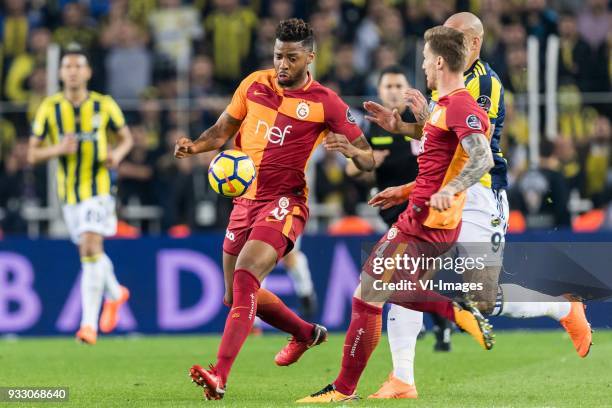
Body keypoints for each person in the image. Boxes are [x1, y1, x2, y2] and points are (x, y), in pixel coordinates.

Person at [363, 12, 592, 400]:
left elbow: (473, 146)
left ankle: (563, 310)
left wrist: (429, 183)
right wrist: (403, 128)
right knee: (403, 275)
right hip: (439, 189)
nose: (441, 50)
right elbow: (439, 128)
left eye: (455, 39)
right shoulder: (446, 77)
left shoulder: (483, 82)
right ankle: (403, 379)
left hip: (479, 192)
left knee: (483, 298)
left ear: (474, 43)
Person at [174, 18, 375, 400]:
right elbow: (220, 133)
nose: (282, 64)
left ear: (310, 57)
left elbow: (368, 159)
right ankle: (305, 333)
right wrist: (193, 146)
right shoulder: (253, 84)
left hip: (285, 202)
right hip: (244, 202)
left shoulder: (325, 102)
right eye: (278, 56)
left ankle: (220, 375)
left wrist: (354, 153)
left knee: (247, 275)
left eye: (292, 57)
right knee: (234, 295)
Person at [297, 25, 495, 403]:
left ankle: (452, 311)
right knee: (373, 292)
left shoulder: (461, 105)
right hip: (418, 211)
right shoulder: (444, 105)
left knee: (369, 293)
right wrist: (400, 130)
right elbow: (439, 159)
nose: (422, 64)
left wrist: (450, 190)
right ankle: (377, 384)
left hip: (426, 220)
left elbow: (481, 157)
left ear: (439, 61)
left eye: (424, 57)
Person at [27, 48, 133, 345]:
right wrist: (58, 149)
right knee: (91, 252)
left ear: (87, 73)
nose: (72, 71)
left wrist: (118, 154)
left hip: (99, 188)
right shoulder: (49, 108)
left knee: (89, 245)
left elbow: (127, 138)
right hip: (69, 195)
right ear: (60, 74)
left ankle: (88, 325)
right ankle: (116, 293)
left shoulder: (104, 104)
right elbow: (33, 154)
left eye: (78, 66)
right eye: (67, 67)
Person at [348, 65, 454, 357]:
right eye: (388, 86)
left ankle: (432, 321)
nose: (393, 91)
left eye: (399, 86)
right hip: (389, 205)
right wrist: (364, 159)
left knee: (410, 271)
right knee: (407, 274)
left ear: (408, 90)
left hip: (421, 201)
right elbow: (354, 169)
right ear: (380, 91)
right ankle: (439, 318)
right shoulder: (373, 125)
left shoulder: (421, 119)